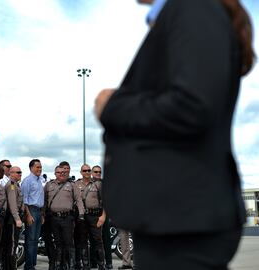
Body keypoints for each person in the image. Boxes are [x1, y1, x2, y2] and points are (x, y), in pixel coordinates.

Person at [94, 0, 255, 269]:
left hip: (182, 219)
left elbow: (192, 106)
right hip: (175, 217)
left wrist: (112, 106)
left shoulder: (193, 6)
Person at [45, 166, 85, 270]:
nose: (61, 174)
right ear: (55, 174)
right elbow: (44, 201)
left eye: (63, 172)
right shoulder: (49, 185)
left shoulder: (72, 185)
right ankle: (59, 265)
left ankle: (71, 265)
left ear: (66, 173)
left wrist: (81, 214)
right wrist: (42, 214)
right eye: (58, 172)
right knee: (58, 243)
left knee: (68, 242)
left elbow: (79, 200)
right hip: (53, 218)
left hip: (67, 218)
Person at [74, 165, 106, 270]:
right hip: (82, 216)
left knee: (98, 240)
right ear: (81, 172)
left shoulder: (97, 184)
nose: (87, 172)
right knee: (82, 240)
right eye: (85, 170)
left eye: (88, 170)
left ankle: (101, 265)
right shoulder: (76, 184)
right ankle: (86, 265)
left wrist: (103, 216)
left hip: (95, 216)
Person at [21, 159, 45, 270]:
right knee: (30, 240)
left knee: (35, 239)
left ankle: (33, 265)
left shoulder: (39, 180)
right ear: (31, 168)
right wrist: (28, 215)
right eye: (37, 167)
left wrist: (42, 214)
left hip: (39, 211)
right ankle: (29, 266)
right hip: (31, 210)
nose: (39, 169)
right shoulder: (27, 181)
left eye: (40, 167)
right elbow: (24, 200)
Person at [90, 165, 113, 269]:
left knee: (106, 239)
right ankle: (93, 262)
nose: (98, 173)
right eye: (96, 172)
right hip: (91, 214)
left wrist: (103, 216)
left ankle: (108, 262)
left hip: (103, 213)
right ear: (91, 172)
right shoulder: (88, 184)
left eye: (99, 172)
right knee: (93, 239)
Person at [2, 166, 25, 270]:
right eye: (18, 172)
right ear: (11, 173)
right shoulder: (11, 185)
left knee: (12, 244)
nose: (20, 174)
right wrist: (17, 218)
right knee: (12, 245)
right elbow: (12, 204)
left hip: (14, 217)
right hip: (12, 219)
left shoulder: (16, 185)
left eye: (20, 172)